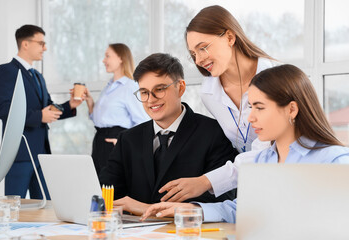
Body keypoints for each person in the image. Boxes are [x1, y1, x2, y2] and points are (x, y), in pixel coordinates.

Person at [141, 64, 349, 222]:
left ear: (291, 110)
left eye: (259, 108)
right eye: (250, 108)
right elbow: (244, 209)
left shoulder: (334, 161)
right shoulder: (262, 160)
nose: (250, 118)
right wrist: (193, 209)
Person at [159, 5, 281, 203]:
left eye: (203, 47)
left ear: (230, 38)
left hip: (285, 177)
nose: (199, 60)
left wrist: (206, 181)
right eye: (193, 54)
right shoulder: (209, 92)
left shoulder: (275, 79)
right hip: (248, 185)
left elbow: (266, 151)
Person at [99, 53, 238, 216]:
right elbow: (107, 192)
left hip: (187, 231)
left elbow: (223, 198)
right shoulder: (128, 139)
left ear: (180, 88)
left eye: (159, 89)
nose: (151, 99)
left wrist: (149, 209)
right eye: (144, 92)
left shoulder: (214, 133)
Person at [0, 25, 84, 199]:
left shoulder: (38, 76)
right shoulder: (6, 71)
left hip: (41, 155)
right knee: (14, 208)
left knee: (45, 207)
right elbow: (2, 109)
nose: (45, 48)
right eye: (41, 43)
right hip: (18, 154)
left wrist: (70, 105)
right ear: (25, 44)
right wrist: (39, 116)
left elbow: (48, 108)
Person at [85, 43, 149, 176]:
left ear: (121, 58)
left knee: (113, 187)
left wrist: (124, 142)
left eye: (107, 56)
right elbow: (102, 119)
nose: (103, 60)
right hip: (99, 140)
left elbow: (143, 122)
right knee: (98, 184)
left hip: (116, 141)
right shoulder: (109, 86)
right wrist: (91, 104)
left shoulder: (130, 87)